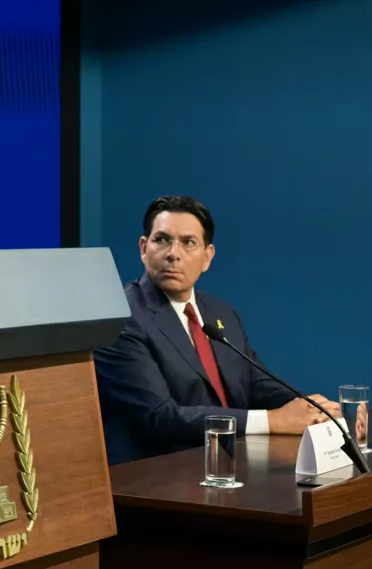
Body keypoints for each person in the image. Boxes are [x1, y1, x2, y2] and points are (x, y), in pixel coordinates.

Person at [94, 195, 340, 465]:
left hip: (232, 462)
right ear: (144, 248)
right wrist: (273, 421)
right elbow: (162, 417)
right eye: (162, 240)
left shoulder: (221, 313)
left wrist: (321, 412)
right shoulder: (121, 317)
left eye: (188, 242)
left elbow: (259, 385)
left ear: (207, 257)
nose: (173, 253)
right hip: (159, 472)